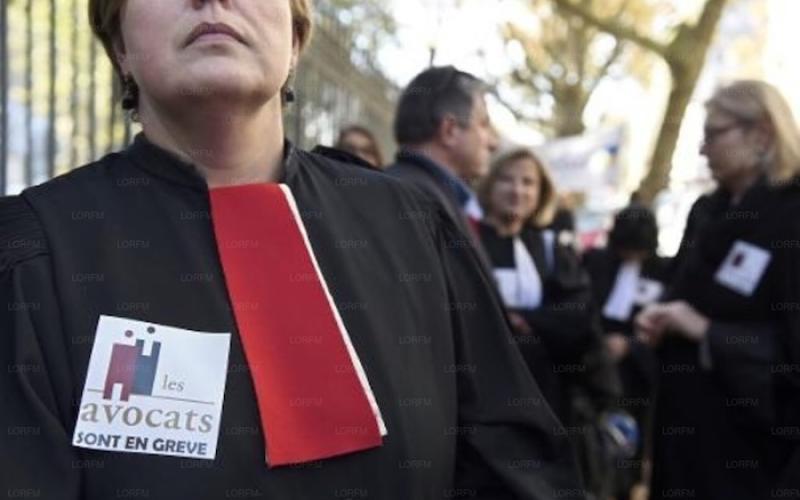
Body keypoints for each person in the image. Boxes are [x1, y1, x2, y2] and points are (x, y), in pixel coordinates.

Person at [0, 1, 586, 499]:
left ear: (297, 39)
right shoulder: (32, 249)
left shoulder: (414, 225)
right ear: (119, 46)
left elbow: (513, 466)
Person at [636, 80, 800, 499]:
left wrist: (708, 332)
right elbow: (679, 291)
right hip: (681, 441)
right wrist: (659, 315)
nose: (702, 149)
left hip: (753, 457)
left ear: (761, 134)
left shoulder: (791, 215)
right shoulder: (706, 211)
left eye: (713, 135)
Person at [476, 147, 620, 499]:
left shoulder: (549, 247)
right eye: (507, 179)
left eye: (528, 182)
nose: (517, 190)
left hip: (541, 396)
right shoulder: (468, 241)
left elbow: (578, 315)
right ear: (490, 185)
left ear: (541, 193)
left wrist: (524, 320)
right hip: (480, 394)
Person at [583, 204, 670, 500]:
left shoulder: (662, 271)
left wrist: (631, 345)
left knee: (631, 442)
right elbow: (581, 308)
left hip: (638, 375)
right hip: (595, 368)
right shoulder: (595, 262)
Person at [386, 66, 498, 244]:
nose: (493, 143)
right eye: (483, 124)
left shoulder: (435, 199)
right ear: (449, 131)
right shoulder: (417, 205)